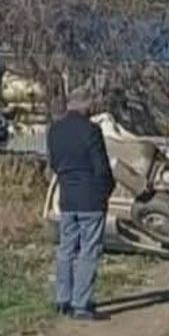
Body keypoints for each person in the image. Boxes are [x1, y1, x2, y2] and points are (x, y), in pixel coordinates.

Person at [47, 89, 114, 321]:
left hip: (67, 198)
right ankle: (81, 304)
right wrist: (107, 191)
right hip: (91, 198)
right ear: (86, 105)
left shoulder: (55, 129)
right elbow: (101, 167)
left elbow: (54, 164)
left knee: (66, 248)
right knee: (88, 250)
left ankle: (62, 299)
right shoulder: (91, 130)